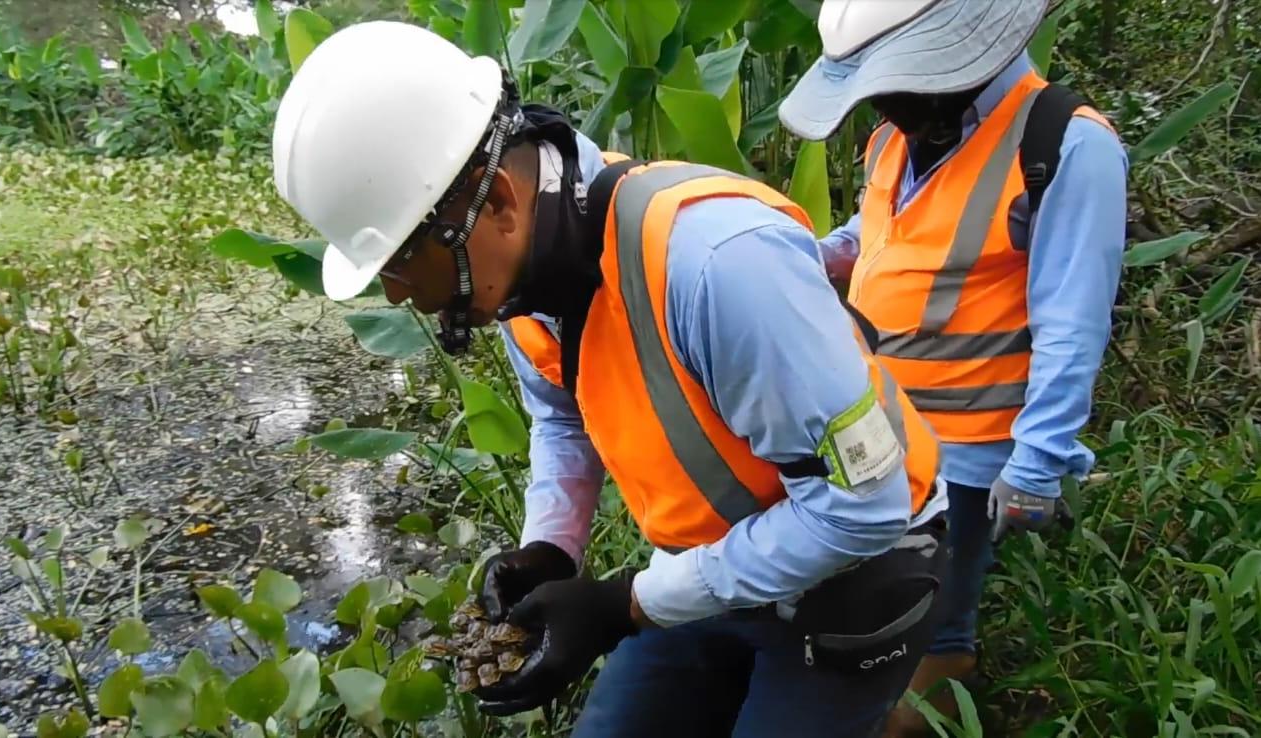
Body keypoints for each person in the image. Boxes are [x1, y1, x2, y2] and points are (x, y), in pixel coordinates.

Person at [272, 18, 955, 738]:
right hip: (710, 569)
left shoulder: (717, 263)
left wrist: (625, 604)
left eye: (402, 262)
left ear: (496, 200)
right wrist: (551, 548)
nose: (398, 296)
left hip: (858, 568)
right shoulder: (518, 275)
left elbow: (861, 508)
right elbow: (562, 418)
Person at [778, 1, 1129, 733]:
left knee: (934, 640)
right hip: (879, 439)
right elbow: (876, 232)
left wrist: (1034, 469)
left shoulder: (1064, 145)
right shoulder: (893, 142)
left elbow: (1073, 323)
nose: (885, 102)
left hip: (969, 458)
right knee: (869, 622)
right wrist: (798, 255)